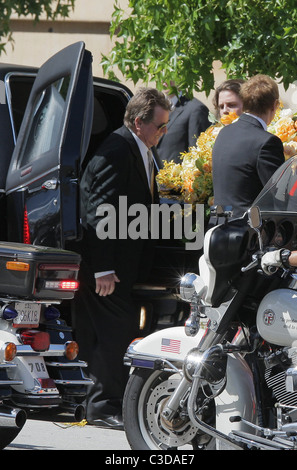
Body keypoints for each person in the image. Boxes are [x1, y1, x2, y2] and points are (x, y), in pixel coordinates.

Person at [74, 88, 172, 429]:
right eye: (160, 126)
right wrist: (103, 268)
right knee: (116, 329)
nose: (164, 133)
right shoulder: (117, 149)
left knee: (112, 328)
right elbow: (98, 210)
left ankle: (95, 402)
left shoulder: (140, 149)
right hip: (105, 265)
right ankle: (102, 406)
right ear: (138, 122)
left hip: (120, 264)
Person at [212, 74, 285, 218]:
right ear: (275, 105)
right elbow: (278, 195)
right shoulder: (267, 142)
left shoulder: (223, 133)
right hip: (247, 232)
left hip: (219, 228)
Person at [156, 81, 211, 163]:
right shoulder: (155, 109)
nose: (164, 78)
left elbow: (196, 155)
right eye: (160, 72)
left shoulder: (196, 109)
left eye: (170, 72)